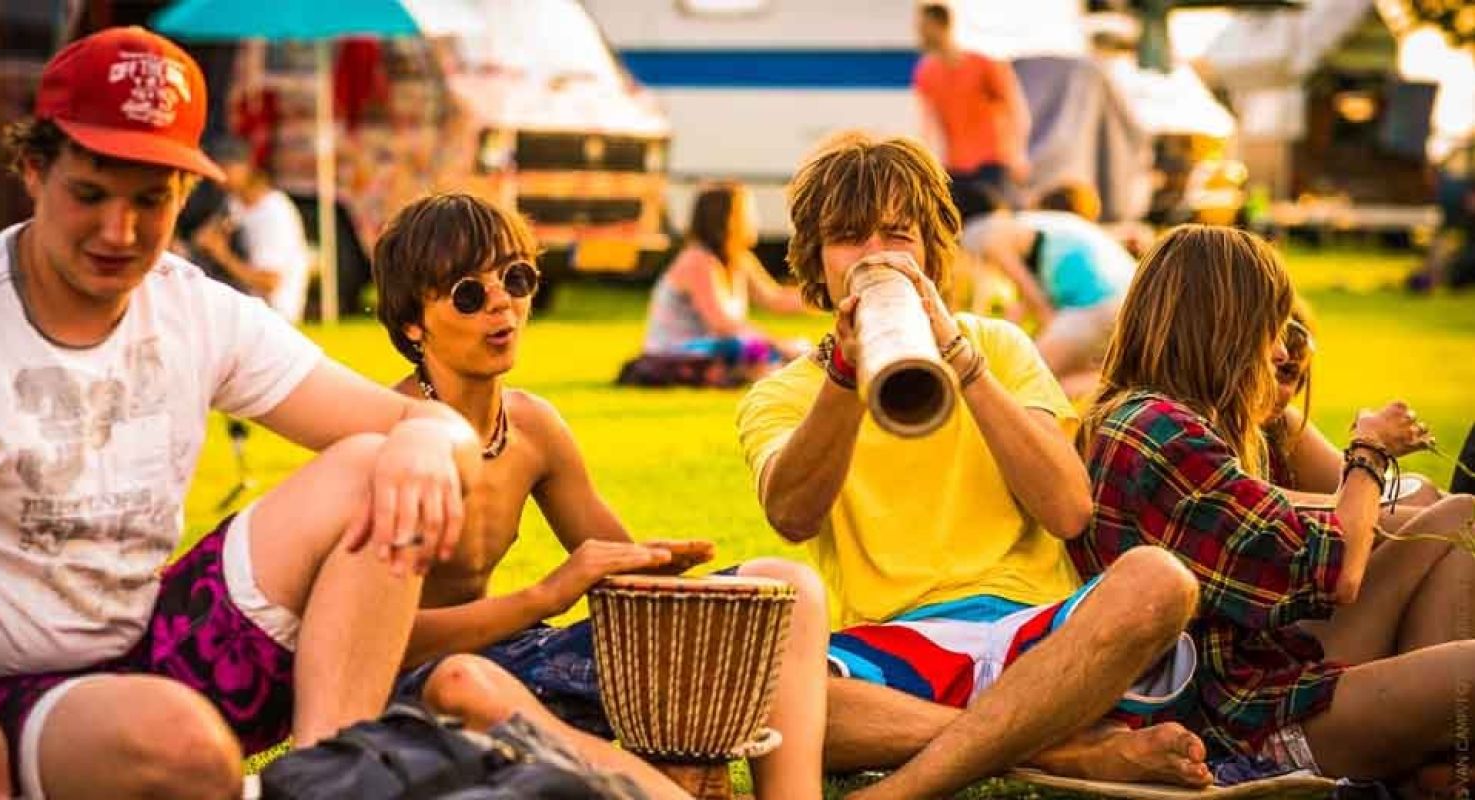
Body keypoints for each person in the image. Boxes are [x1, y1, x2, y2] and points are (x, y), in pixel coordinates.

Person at [0, 28, 481, 800]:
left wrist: (426, 435)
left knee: (375, 463)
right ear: (33, 169)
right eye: (90, 194)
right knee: (178, 750)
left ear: (185, 195)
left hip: (146, 648)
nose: (119, 233)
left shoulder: (194, 308)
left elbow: (438, 430)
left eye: (149, 202)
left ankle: (332, 778)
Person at [737, 131, 1210, 800]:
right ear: (816, 260)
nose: (875, 256)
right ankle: (1066, 751)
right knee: (766, 692)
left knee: (1158, 581)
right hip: (893, 648)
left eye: (896, 235)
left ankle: (912, 781)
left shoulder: (997, 345)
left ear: (932, 251)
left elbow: (1067, 508)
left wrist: (960, 360)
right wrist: (846, 376)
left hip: (1035, 635)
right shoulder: (781, 395)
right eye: (848, 238)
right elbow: (790, 516)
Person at [370, 192, 830, 800]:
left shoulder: (533, 427)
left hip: (516, 659)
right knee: (466, 684)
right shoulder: (382, 436)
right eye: (468, 294)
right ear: (411, 321)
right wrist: (552, 591)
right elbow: (378, 640)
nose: (502, 302)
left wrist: (654, 566)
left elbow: (616, 564)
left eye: (516, 278)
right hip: (409, 687)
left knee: (786, 587)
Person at [1073, 225, 1475, 789]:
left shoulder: (1156, 416)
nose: (1283, 351)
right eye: (1270, 327)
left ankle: (1434, 767)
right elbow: (1336, 570)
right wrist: (1370, 449)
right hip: (1235, 722)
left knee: (1460, 520)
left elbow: (1313, 529)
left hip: (1262, 668)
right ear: (1224, 325)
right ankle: (1433, 768)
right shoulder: (1161, 433)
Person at [1263, 306, 1445, 530]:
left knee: (1426, 493)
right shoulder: (1211, 442)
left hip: (1328, 553)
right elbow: (1347, 509)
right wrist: (1370, 447)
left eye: (1287, 372)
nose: (1269, 383)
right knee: (1454, 516)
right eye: (1262, 362)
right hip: (1306, 558)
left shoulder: (1279, 426)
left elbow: (1376, 492)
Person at [635, 182, 809, 384]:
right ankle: (759, 371)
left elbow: (775, 299)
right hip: (672, 355)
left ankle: (762, 371)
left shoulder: (739, 260)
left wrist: (829, 298)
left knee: (790, 352)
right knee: (749, 347)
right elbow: (721, 324)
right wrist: (777, 344)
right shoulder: (697, 260)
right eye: (748, 212)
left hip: (713, 350)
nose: (754, 219)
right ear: (729, 219)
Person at [962, 202, 1137, 398]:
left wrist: (1049, 331)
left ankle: (1122, 385)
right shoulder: (1029, 224)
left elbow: (1031, 293)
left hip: (1098, 301)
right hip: (1124, 297)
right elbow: (1026, 301)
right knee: (1050, 378)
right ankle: (1113, 381)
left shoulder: (988, 238)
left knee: (1029, 377)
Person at [912, 1, 1031, 216]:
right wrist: (928, 165)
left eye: (923, 29)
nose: (919, 35)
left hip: (993, 161)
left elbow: (1015, 108)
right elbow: (928, 124)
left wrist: (1018, 154)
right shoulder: (926, 72)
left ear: (941, 26)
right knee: (959, 227)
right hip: (955, 166)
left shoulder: (983, 63)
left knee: (994, 222)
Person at [192, 136, 311, 324]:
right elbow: (204, 239)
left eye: (226, 167)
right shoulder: (233, 204)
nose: (219, 176)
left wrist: (222, 255)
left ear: (245, 167)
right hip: (246, 311)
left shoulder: (273, 212)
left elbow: (270, 283)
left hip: (275, 317)